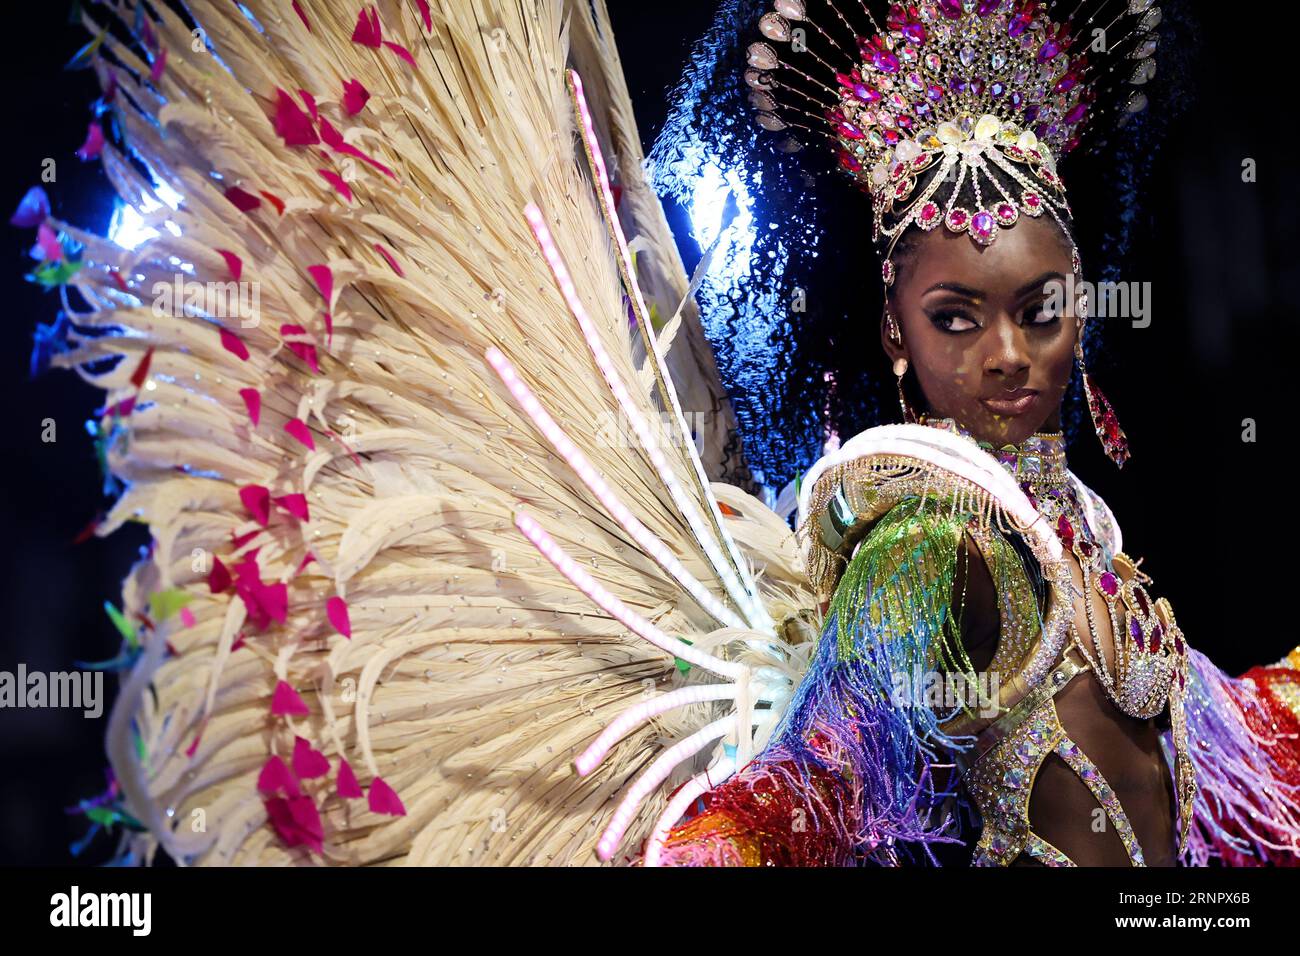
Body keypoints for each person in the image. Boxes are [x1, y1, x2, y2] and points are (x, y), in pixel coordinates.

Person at [16, 0, 1300, 868]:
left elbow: (1232, 787)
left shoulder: (1080, 538)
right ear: (897, 336)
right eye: (959, 316)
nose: (1008, 354)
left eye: (1040, 309)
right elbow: (817, 784)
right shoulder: (928, 542)